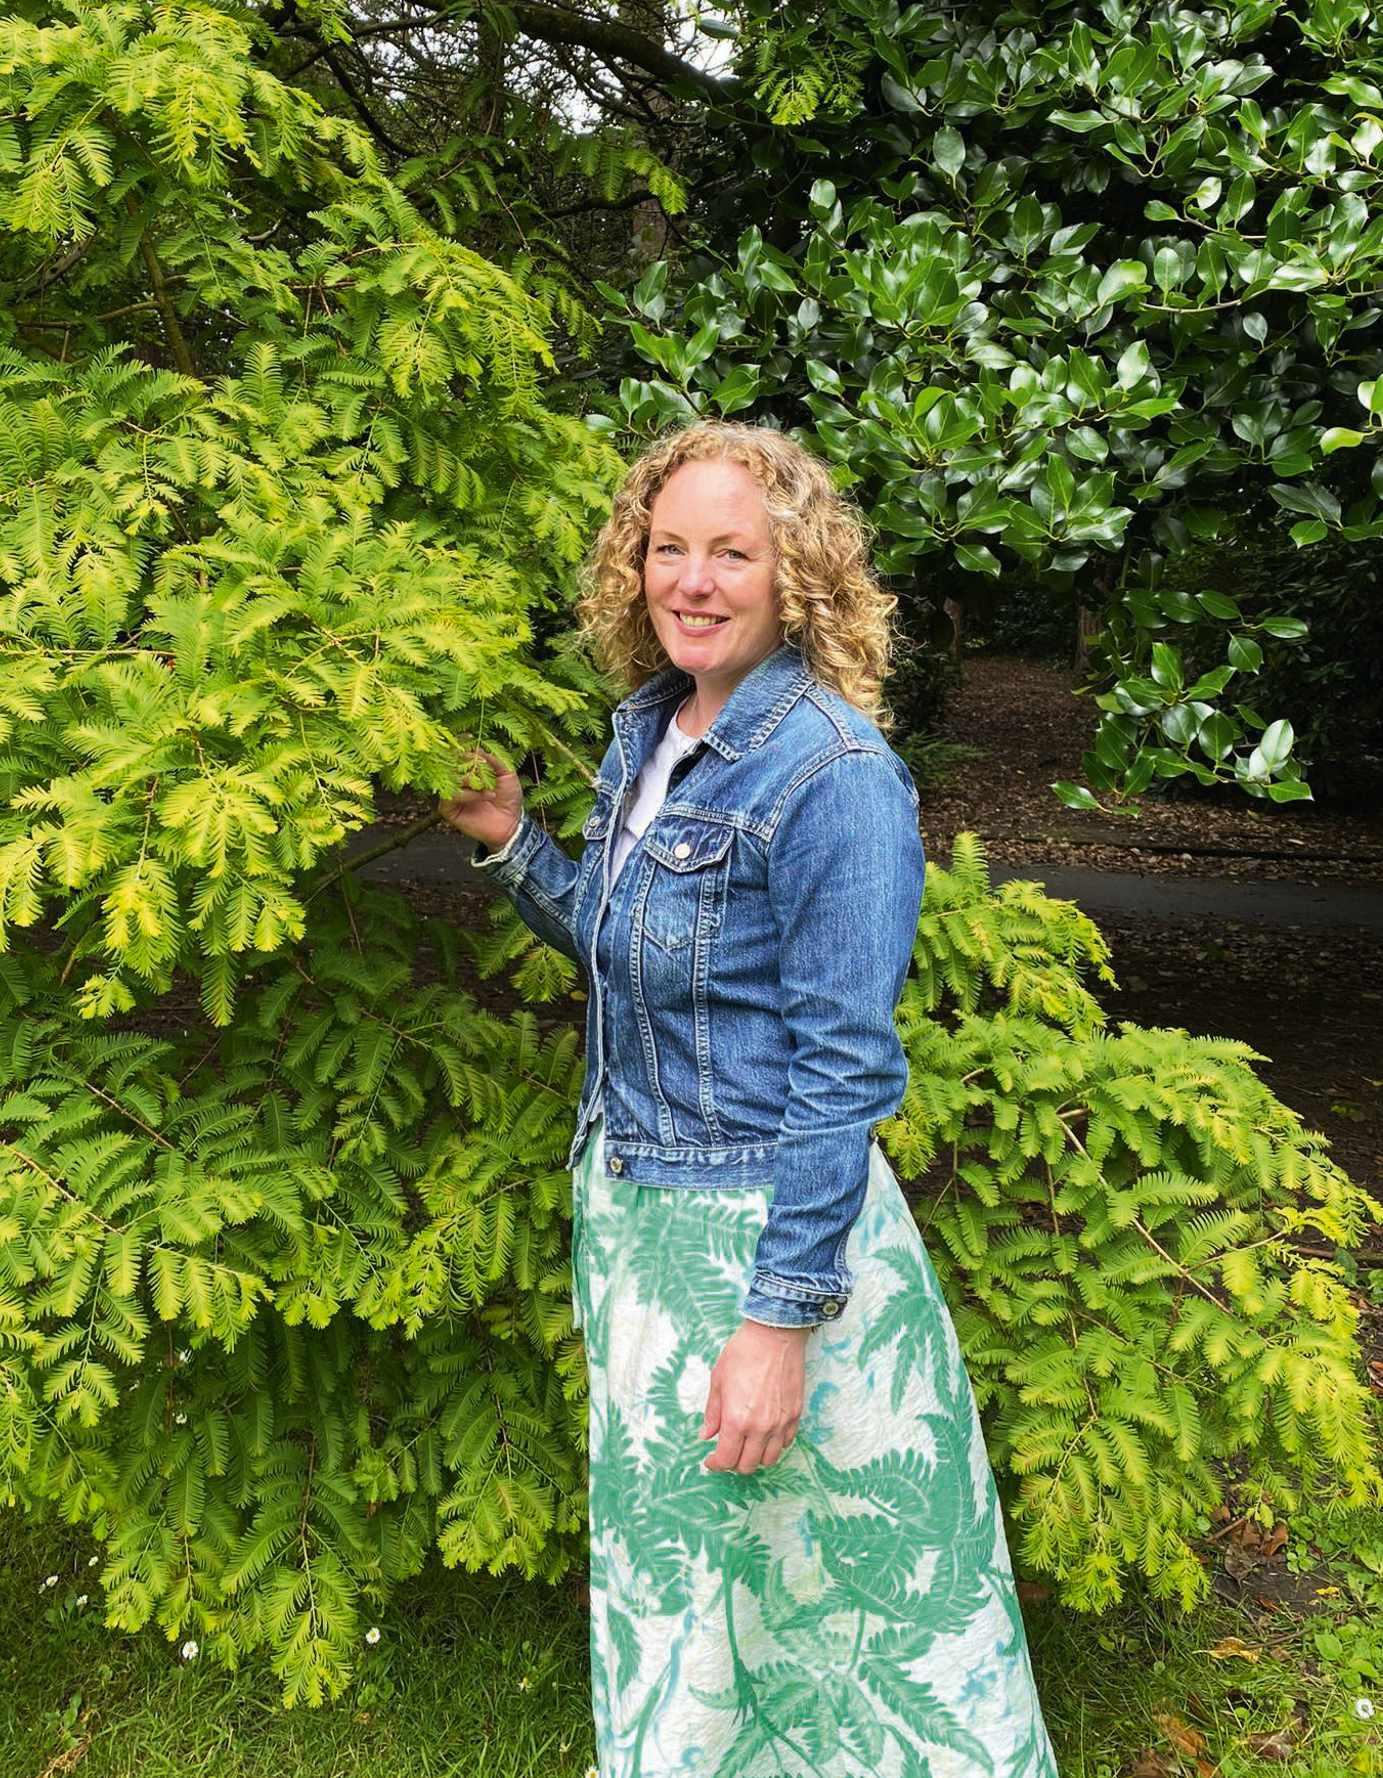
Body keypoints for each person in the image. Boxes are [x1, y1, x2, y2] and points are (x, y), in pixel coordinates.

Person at [440, 420, 1059, 1777]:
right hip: (643, 1230)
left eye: (733, 551)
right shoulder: (651, 732)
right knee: (701, 1592)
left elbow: (844, 1072)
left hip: (768, 1242)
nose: (694, 580)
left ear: (797, 575)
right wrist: (515, 845)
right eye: (669, 548)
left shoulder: (835, 774)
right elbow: (636, 955)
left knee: (848, 1609)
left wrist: (780, 1323)